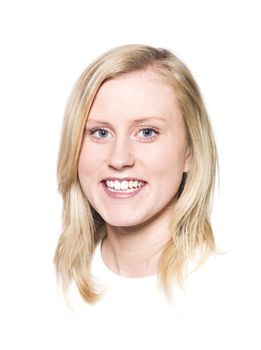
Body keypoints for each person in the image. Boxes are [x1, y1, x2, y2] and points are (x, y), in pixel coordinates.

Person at [54, 44, 218, 306]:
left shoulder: (236, 286)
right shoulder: (49, 287)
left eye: (147, 132)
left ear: (190, 152)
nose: (119, 159)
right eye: (101, 132)